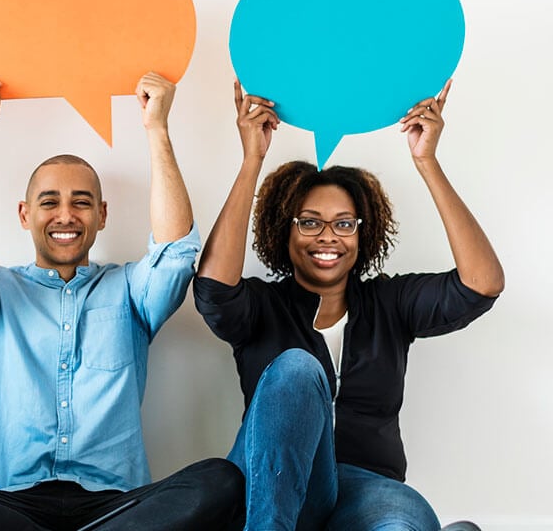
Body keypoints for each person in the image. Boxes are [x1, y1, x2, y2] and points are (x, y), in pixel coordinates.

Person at [0, 74, 244, 530]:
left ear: (102, 215)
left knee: (221, 480)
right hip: (8, 504)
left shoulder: (130, 290)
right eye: (50, 202)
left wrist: (157, 128)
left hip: (114, 506)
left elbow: (176, 253)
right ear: (25, 215)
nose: (65, 215)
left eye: (81, 202)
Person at [194, 80, 504, 529]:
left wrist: (427, 160)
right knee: (297, 368)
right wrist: (252, 160)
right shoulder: (263, 307)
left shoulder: (389, 304)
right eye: (309, 222)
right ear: (285, 231)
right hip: (273, 488)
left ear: (362, 233)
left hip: (365, 491)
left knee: (408, 520)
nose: (327, 237)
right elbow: (214, 292)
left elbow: (482, 284)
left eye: (343, 223)